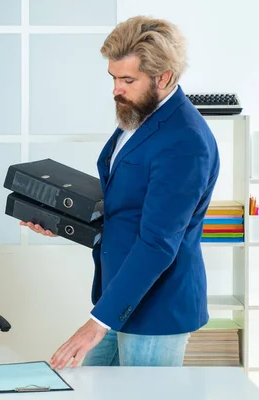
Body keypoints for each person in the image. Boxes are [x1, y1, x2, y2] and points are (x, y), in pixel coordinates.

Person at [23, 16, 220, 368]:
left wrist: (95, 325)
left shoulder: (184, 141)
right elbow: (126, 206)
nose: (116, 89)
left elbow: (158, 242)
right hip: (118, 295)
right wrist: (65, 222)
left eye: (128, 80)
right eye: (114, 78)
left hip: (157, 308)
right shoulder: (138, 116)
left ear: (164, 78)